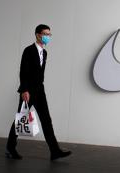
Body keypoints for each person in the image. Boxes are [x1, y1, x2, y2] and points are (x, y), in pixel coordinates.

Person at [6, 24, 71, 161]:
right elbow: (23, 71)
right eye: (45, 34)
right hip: (28, 91)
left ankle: (55, 151)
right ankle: (10, 148)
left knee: (46, 120)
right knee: (21, 119)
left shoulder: (45, 52)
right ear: (38, 35)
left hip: (40, 91)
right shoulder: (28, 50)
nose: (48, 37)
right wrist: (24, 90)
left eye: (49, 34)